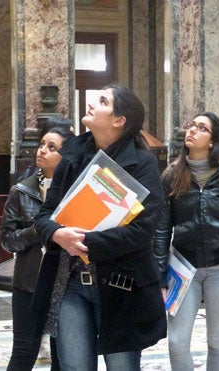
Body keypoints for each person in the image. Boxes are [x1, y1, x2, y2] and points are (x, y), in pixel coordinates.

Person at [33, 84, 167, 371]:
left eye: (103, 101)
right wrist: (57, 234)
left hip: (121, 286)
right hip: (70, 284)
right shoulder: (71, 158)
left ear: (119, 120)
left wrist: (83, 242)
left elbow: (142, 230)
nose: (92, 103)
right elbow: (44, 215)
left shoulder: (142, 164)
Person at [153, 112, 219, 371]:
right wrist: (160, 274)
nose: (192, 131)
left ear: (212, 141)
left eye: (201, 128)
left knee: (217, 341)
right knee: (177, 343)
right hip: (183, 268)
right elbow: (162, 228)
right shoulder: (171, 175)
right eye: (191, 126)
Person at [0, 121, 74, 371]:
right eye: (42, 144)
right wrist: (40, 229)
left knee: (62, 356)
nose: (42, 150)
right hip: (28, 283)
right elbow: (8, 239)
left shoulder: (76, 194)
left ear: (66, 156)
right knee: (23, 352)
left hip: (65, 283)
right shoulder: (21, 191)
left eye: (52, 147)